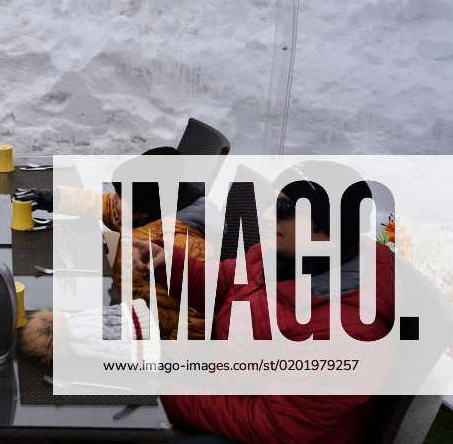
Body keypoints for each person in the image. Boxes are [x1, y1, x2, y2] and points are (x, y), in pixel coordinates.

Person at [129, 179, 395, 444]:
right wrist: (169, 262)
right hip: (231, 387)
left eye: (285, 207)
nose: (269, 215)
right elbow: (223, 283)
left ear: (325, 226)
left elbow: (274, 426)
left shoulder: (346, 334)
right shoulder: (281, 255)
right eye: (272, 202)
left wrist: (164, 393)